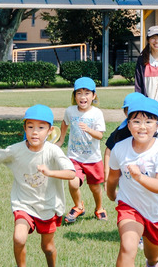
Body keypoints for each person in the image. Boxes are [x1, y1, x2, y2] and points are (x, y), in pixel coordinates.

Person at [0, 105, 76, 267]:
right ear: (24, 128)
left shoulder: (53, 151)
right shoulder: (16, 150)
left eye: (41, 127)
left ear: (50, 131)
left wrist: (50, 172)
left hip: (48, 206)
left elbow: (71, 173)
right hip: (23, 204)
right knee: (19, 239)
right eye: (30, 126)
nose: (35, 131)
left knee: (47, 247)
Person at [106, 97, 158, 267]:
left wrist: (139, 177)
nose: (142, 126)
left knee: (152, 256)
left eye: (148, 121)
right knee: (128, 247)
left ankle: (153, 263)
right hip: (130, 206)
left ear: (157, 126)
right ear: (128, 124)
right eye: (136, 121)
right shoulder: (120, 149)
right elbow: (113, 177)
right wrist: (111, 195)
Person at [59, 77, 108, 222]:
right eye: (79, 93)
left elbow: (99, 135)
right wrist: (61, 139)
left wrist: (89, 130)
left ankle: (99, 208)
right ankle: (78, 206)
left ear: (93, 96)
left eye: (87, 93)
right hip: (74, 157)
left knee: (95, 188)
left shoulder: (97, 113)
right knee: (73, 183)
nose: (83, 96)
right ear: (74, 96)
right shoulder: (70, 111)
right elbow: (64, 123)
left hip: (92, 158)